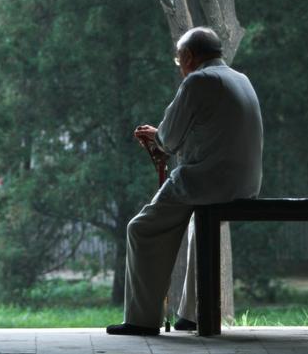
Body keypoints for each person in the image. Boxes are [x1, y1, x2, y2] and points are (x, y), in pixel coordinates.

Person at [107, 26, 264, 336]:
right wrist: (164, 137)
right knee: (197, 231)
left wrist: (157, 137)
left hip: (207, 181)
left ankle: (142, 319)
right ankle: (191, 314)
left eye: (178, 59)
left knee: (140, 229)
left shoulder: (198, 81)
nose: (179, 66)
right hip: (245, 183)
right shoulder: (239, 78)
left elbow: (169, 139)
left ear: (189, 56)